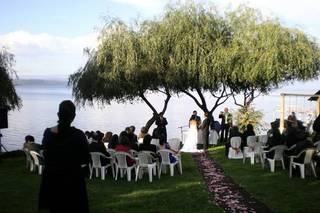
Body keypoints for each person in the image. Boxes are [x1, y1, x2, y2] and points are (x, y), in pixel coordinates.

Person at [38, 100, 89, 213]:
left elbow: (45, 154)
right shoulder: (79, 135)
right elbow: (85, 158)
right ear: (73, 116)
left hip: (51, 181)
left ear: (58, 115)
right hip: (73, 182)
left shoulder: (48, 134)